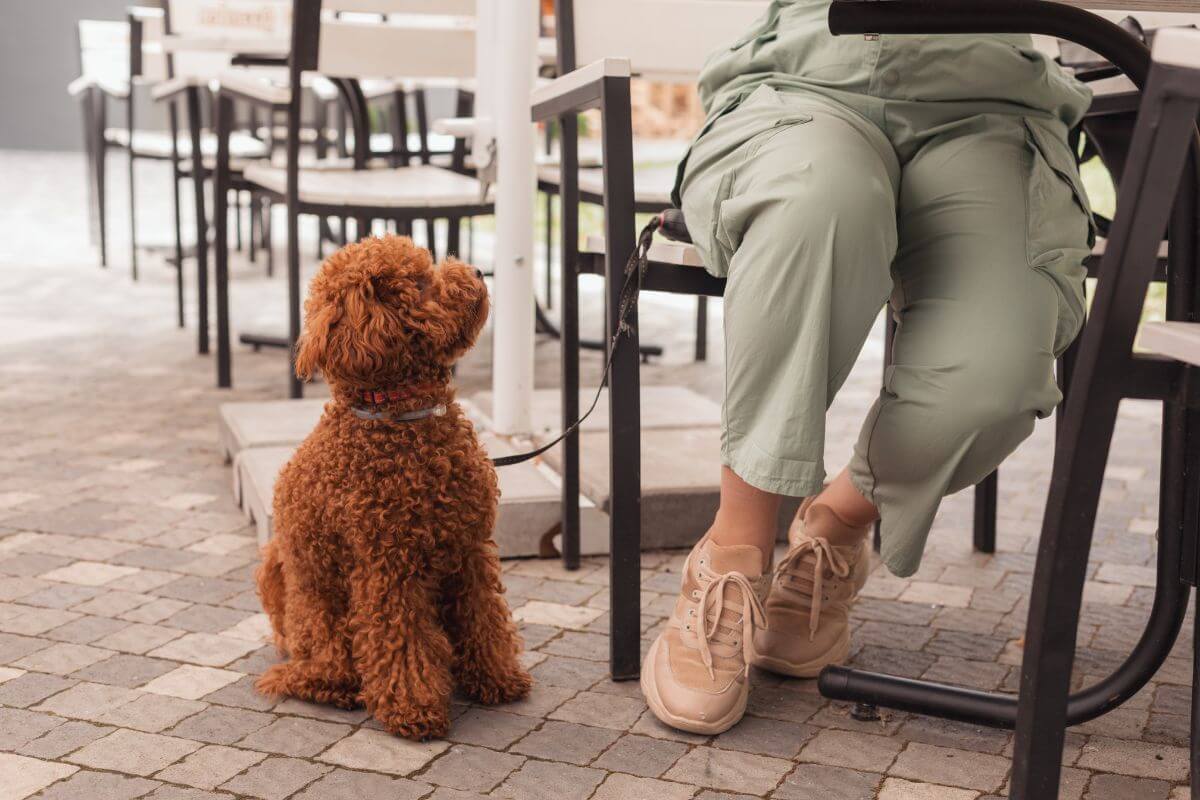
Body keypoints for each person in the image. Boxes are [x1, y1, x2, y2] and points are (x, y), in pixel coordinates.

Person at [640, 0, 1094, 734]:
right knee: (820, 202)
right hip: (811, 75)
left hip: (989, 100)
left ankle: (834, 526)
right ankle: (730, 556)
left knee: (996, 379)